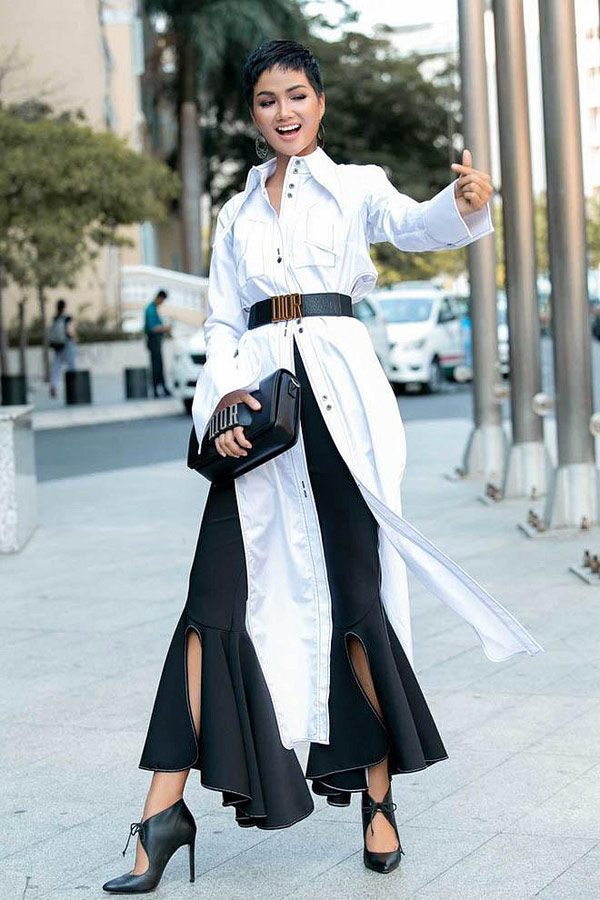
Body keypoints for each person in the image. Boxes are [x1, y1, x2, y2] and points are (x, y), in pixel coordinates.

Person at [103, 40, 543, 894]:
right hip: (261, 418)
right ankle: (162, 812)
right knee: (210, 601)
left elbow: (414, 224)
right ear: (254, 112)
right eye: (267, 99)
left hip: (340, 408)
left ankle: (377, 797)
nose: (284, 112)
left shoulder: (356, 186)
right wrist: (222, 402)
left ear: (320, 101)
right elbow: (221, 322)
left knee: (356, 595)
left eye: (297, 95)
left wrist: (463, 204)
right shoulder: (235, 213)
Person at [144, 289, 172, 397]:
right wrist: (165, 328)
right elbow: (153, 328)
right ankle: (156, 389)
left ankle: (162, 388)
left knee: (159, 365)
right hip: (153, 341)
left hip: (157, 342)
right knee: (156, 366)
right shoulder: (150, 309)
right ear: (159, 298)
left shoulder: (154, 309)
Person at [48, 298, 77, 398]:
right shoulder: (67, 318)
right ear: (64, 307)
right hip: (67, 344)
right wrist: (74, 338)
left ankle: (53, 384)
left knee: (56, 366)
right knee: (71, 365)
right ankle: (74, 387)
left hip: (58, 345)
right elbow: (70, 331)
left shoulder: (55, 318)